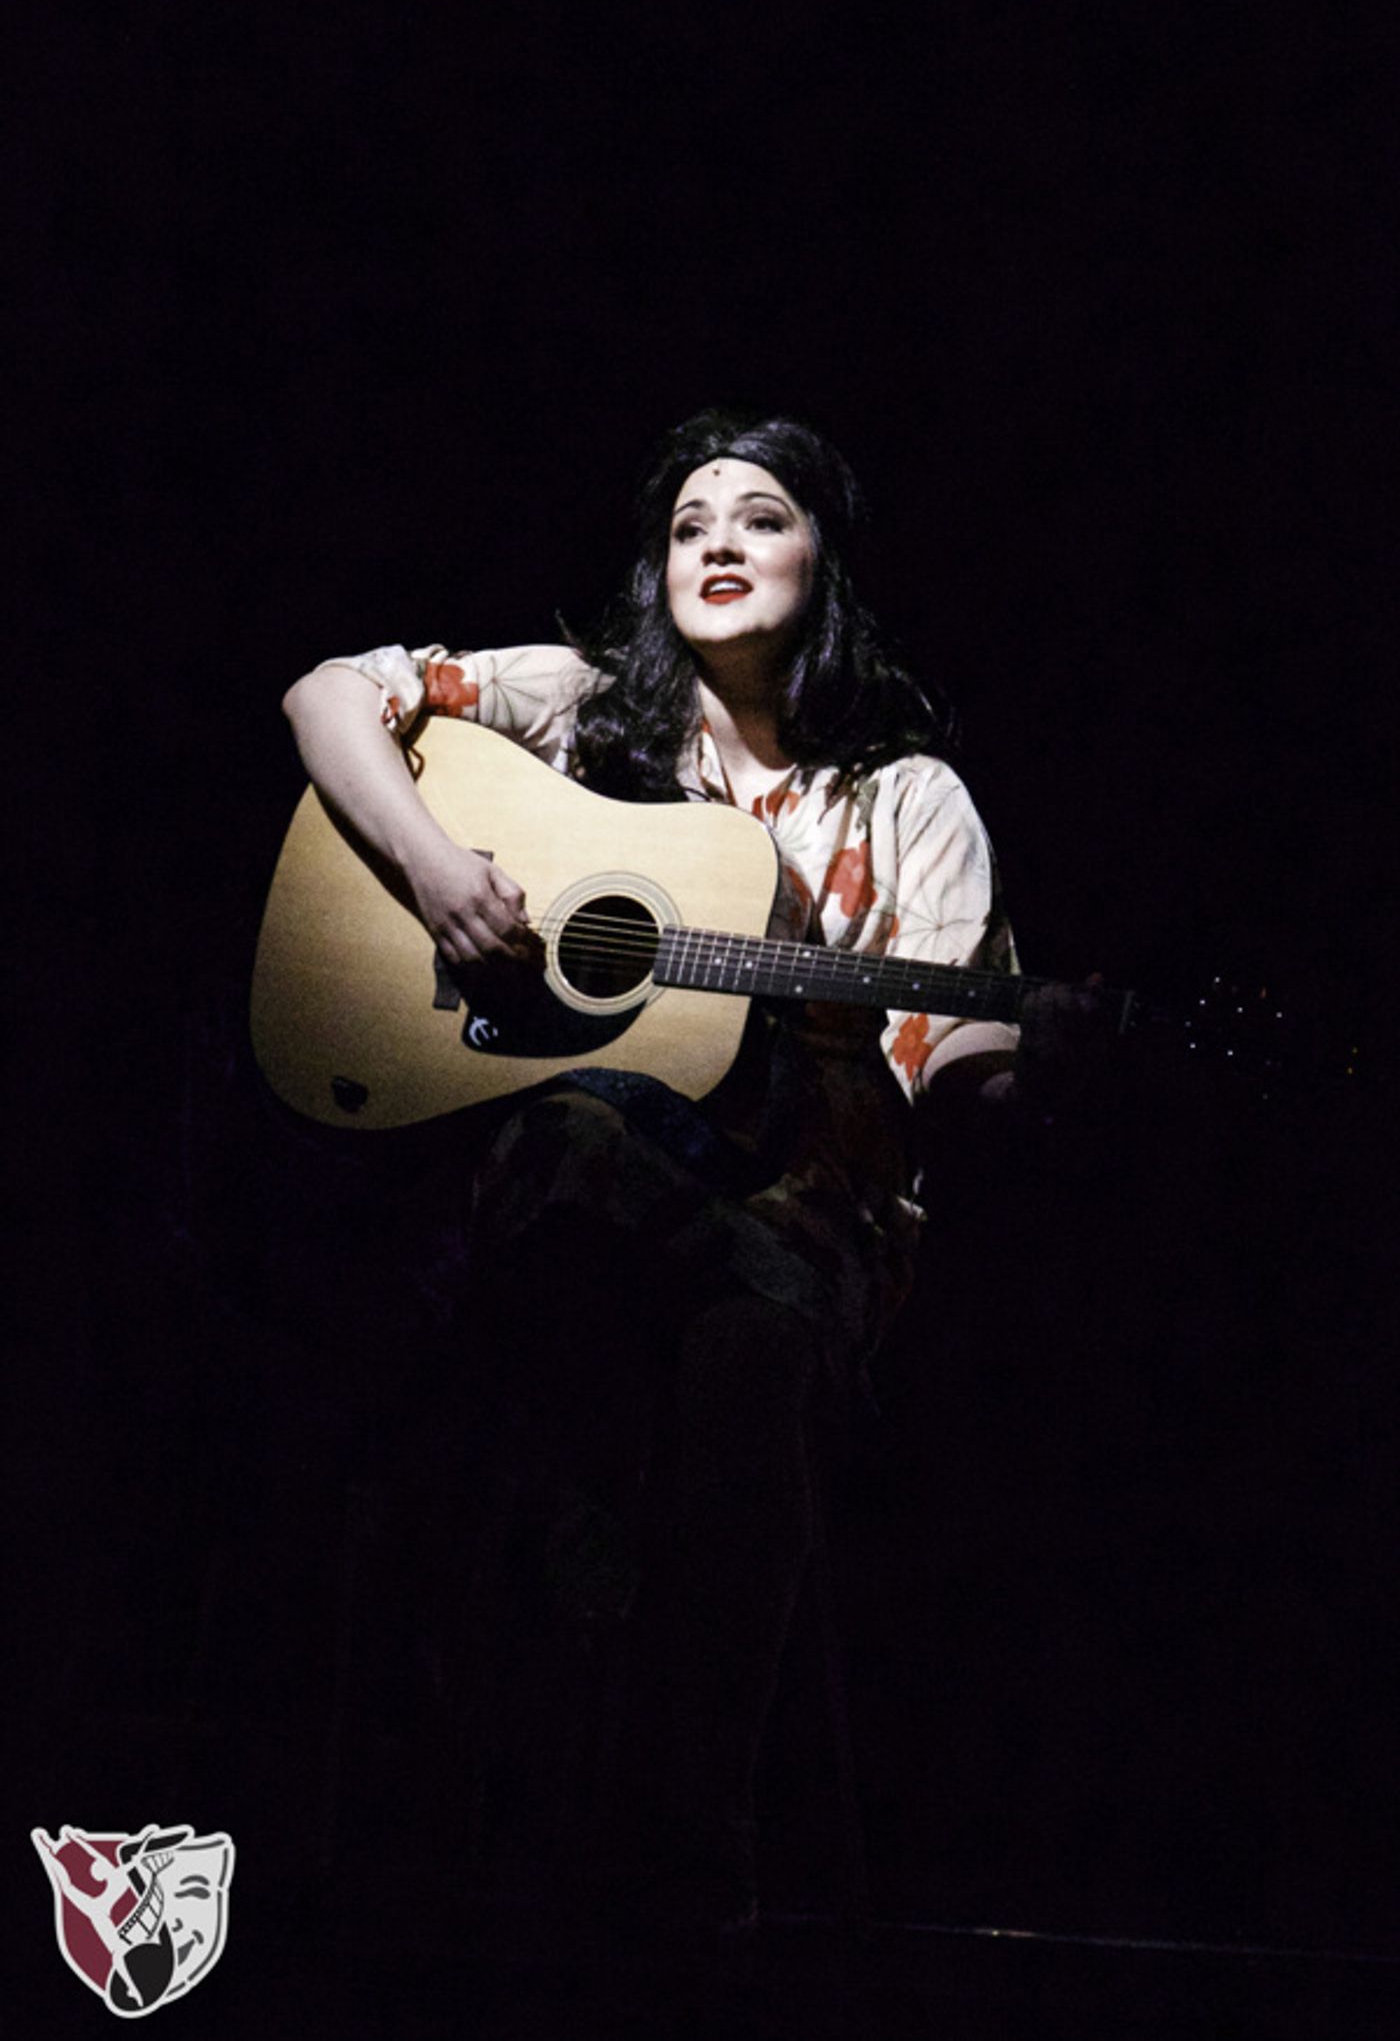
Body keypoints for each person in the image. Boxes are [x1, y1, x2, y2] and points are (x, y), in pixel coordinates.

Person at [280, 407, 1047, 1934]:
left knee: (748, 1334)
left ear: (825, 562)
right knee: (567, 1161)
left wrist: (1027, 1060)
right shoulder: (585, 713)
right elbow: (328, 695)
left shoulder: (907, 799)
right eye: (691, 523)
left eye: (761, 517)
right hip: (565, 1193)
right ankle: (479, 1799)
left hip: (802, 1217)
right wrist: (438, 873)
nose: (719, 544)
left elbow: (955, 1070)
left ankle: (671, 1841)